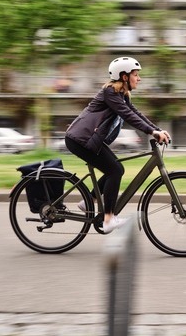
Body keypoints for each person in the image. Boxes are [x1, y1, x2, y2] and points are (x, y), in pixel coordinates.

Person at [64, 56, 171, 233]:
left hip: (90, 140)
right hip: (80, 140)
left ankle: (89, 201)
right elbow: (128, 116)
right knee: (115, 170)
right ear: (124, 77)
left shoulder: (121, 94)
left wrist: (157, 130)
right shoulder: (110, 93)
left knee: (115, 168)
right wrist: (152, 132)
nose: (139, 78)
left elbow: (135, 113)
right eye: (136, 75)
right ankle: (108, 219)